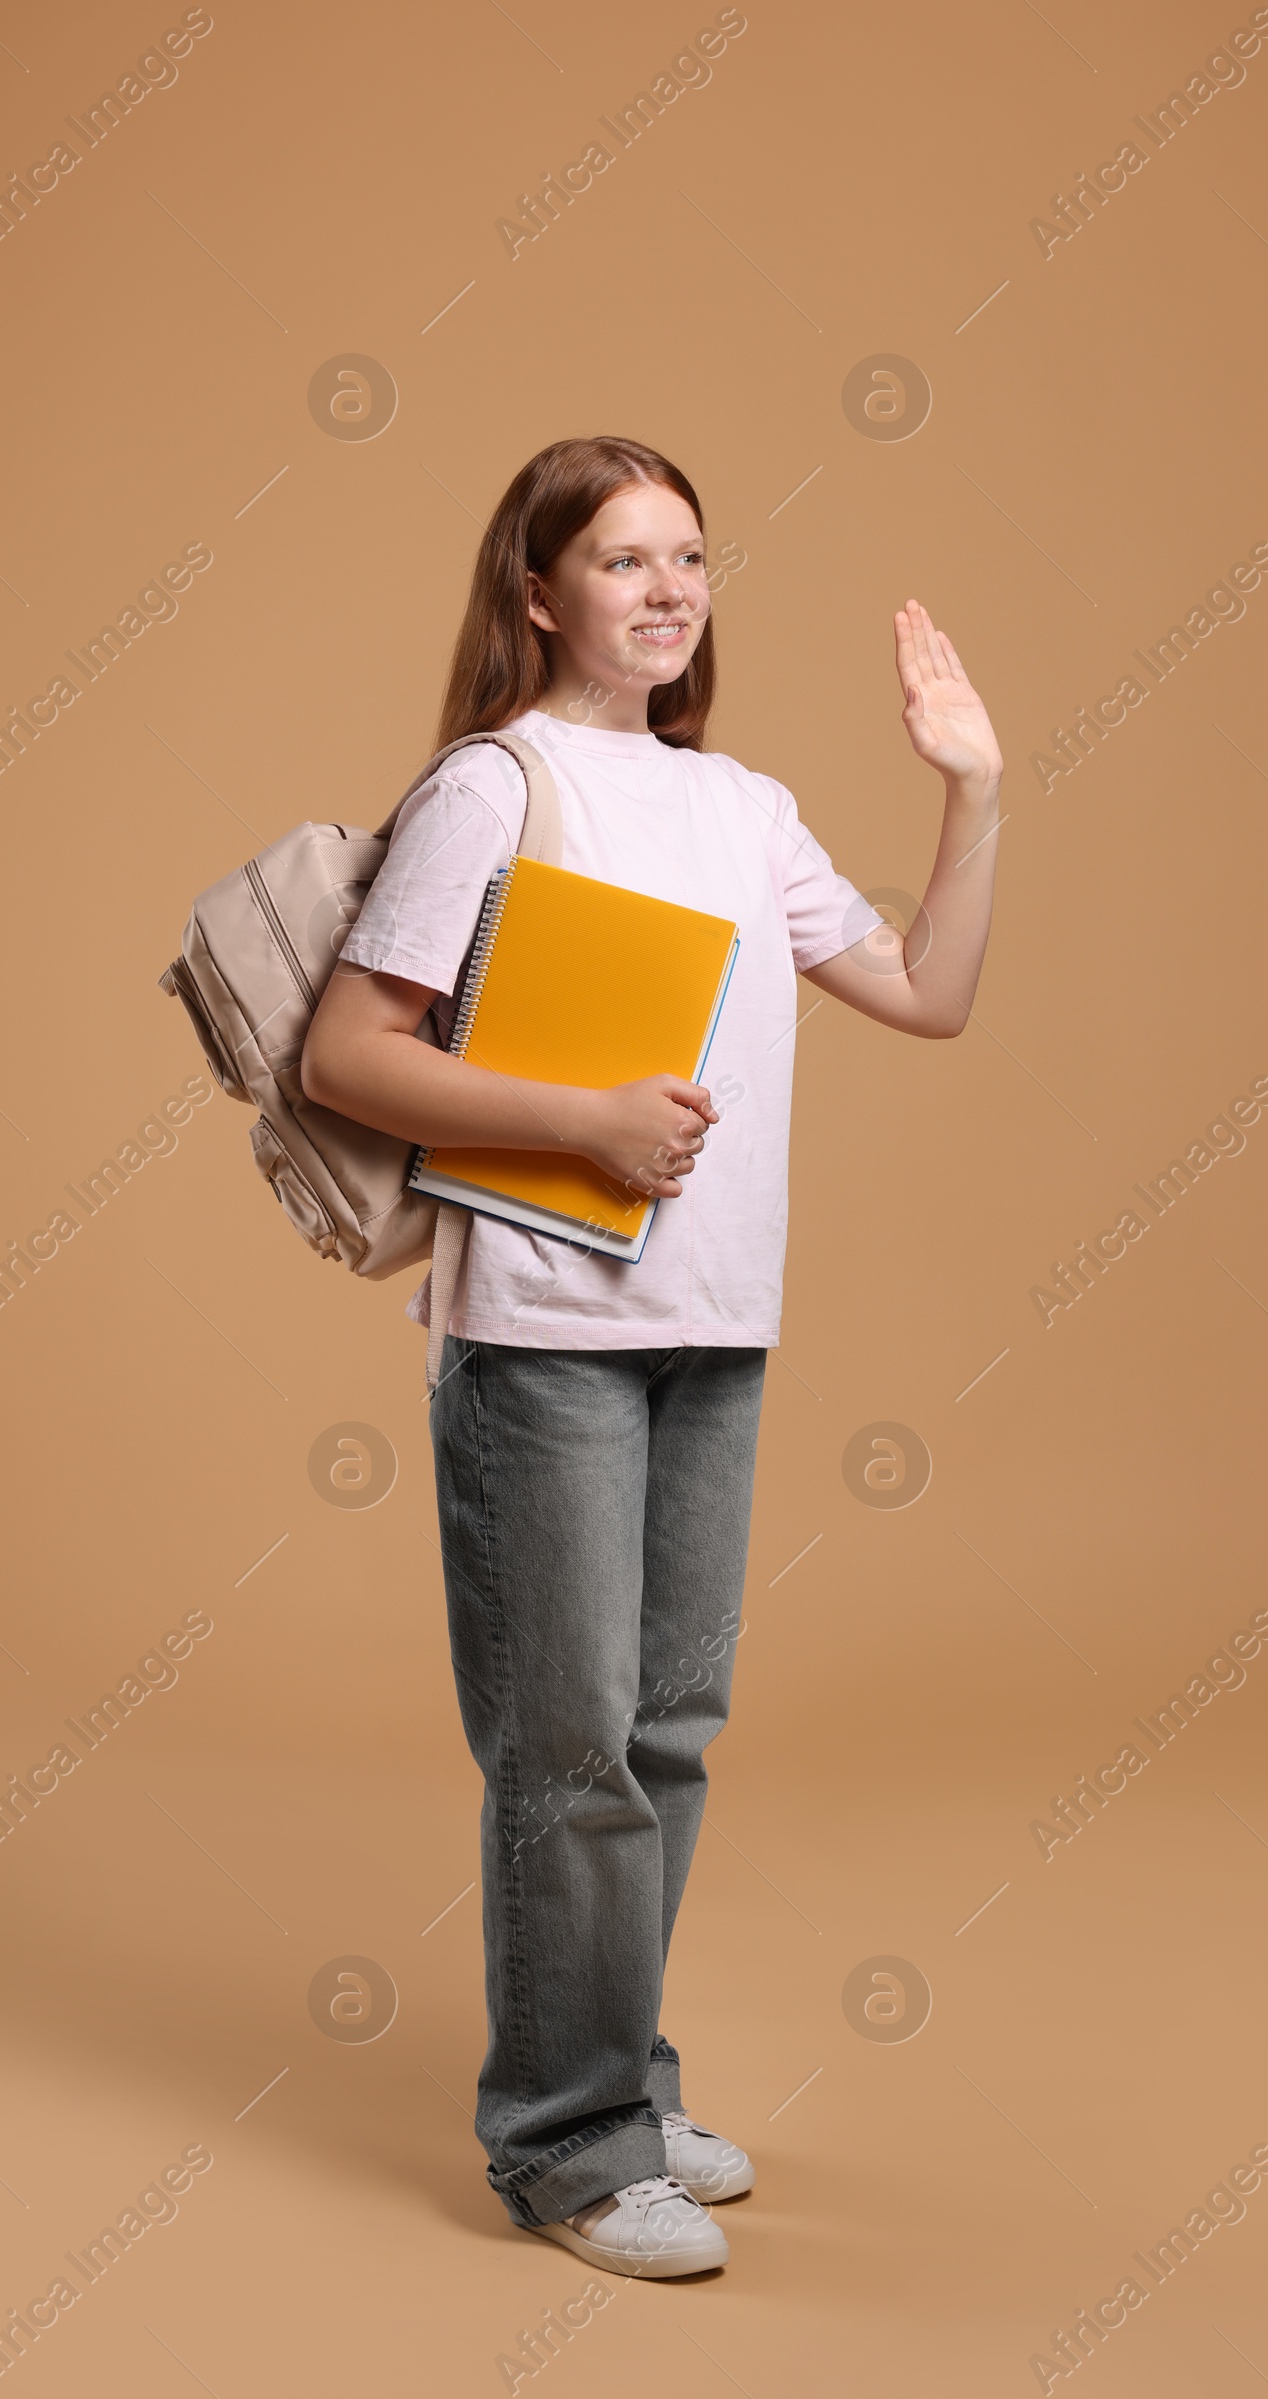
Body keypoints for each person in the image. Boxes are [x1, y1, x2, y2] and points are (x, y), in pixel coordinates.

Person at [301, 435, 1003, 2277]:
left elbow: (929, 994)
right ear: (539, 593)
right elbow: (349, 1059)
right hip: (542, 1333)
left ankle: (617, 2077)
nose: (669, 589)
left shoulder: (744, 805)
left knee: (663, 1735)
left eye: (689, 556)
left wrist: (976, 791)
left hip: (715, 1332)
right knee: (568, 1750)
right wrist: (584, 1123)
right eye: (624, 560)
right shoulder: (498, 784)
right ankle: (566, 2142)